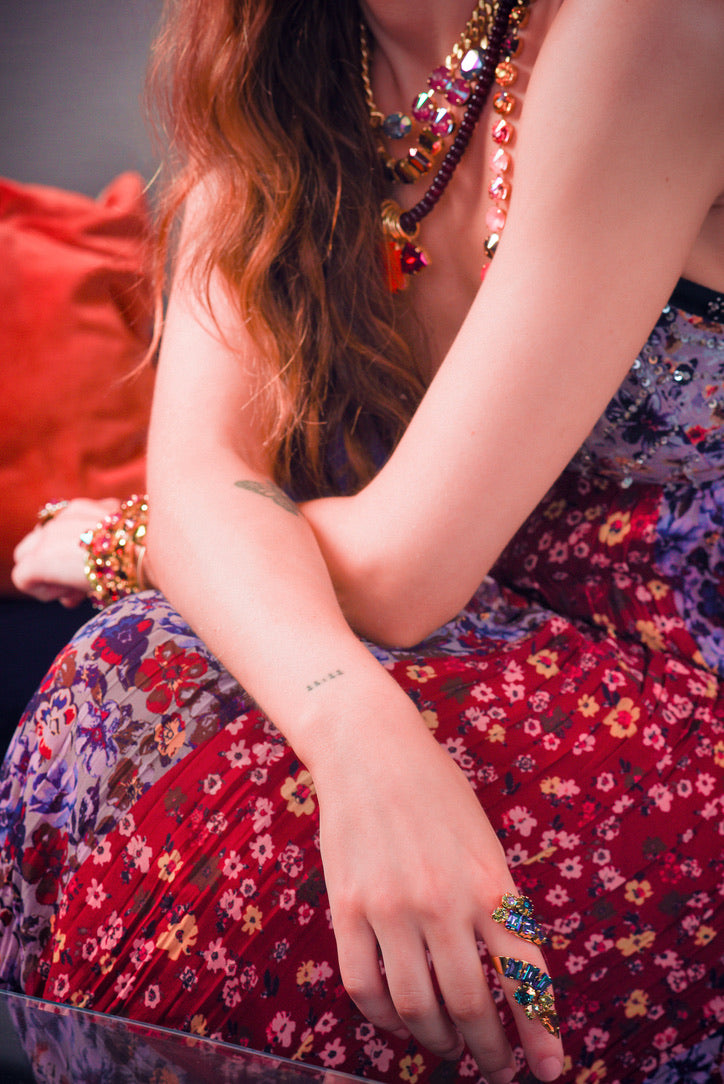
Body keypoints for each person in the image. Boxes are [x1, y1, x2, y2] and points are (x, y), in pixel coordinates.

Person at [3, 0, 724, 1082]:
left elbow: (397, 573)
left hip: (690, 692)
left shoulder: (647, 27)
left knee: (259, 847)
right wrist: (359, 734)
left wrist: (149, 542)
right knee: (119, 677)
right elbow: (205, 472)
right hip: (496, 643)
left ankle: (542, 1041)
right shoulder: (266, 70)